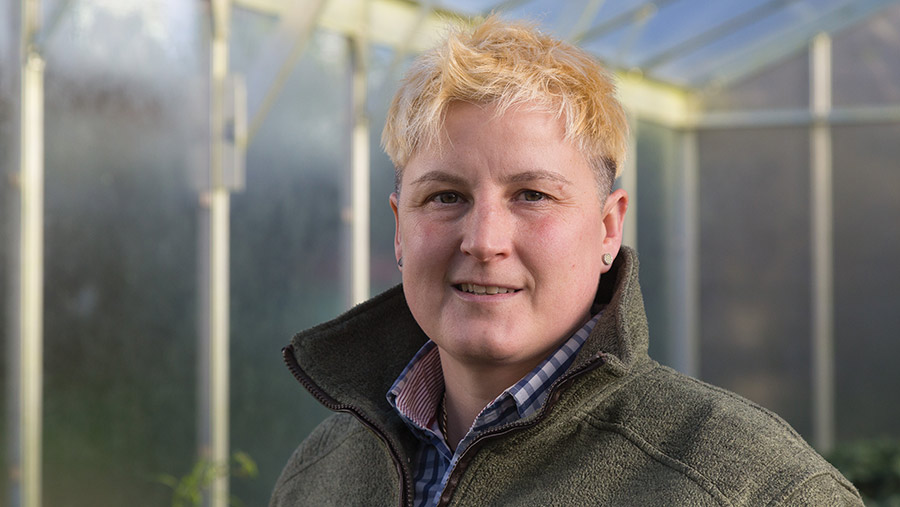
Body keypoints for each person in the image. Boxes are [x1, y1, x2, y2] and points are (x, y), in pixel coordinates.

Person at [270, 16, 861, 506]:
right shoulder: (318, 475)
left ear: (608, 228)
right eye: (445, 196)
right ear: (400, 228)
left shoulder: (756, 488)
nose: (484, 240)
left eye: (532, 195)